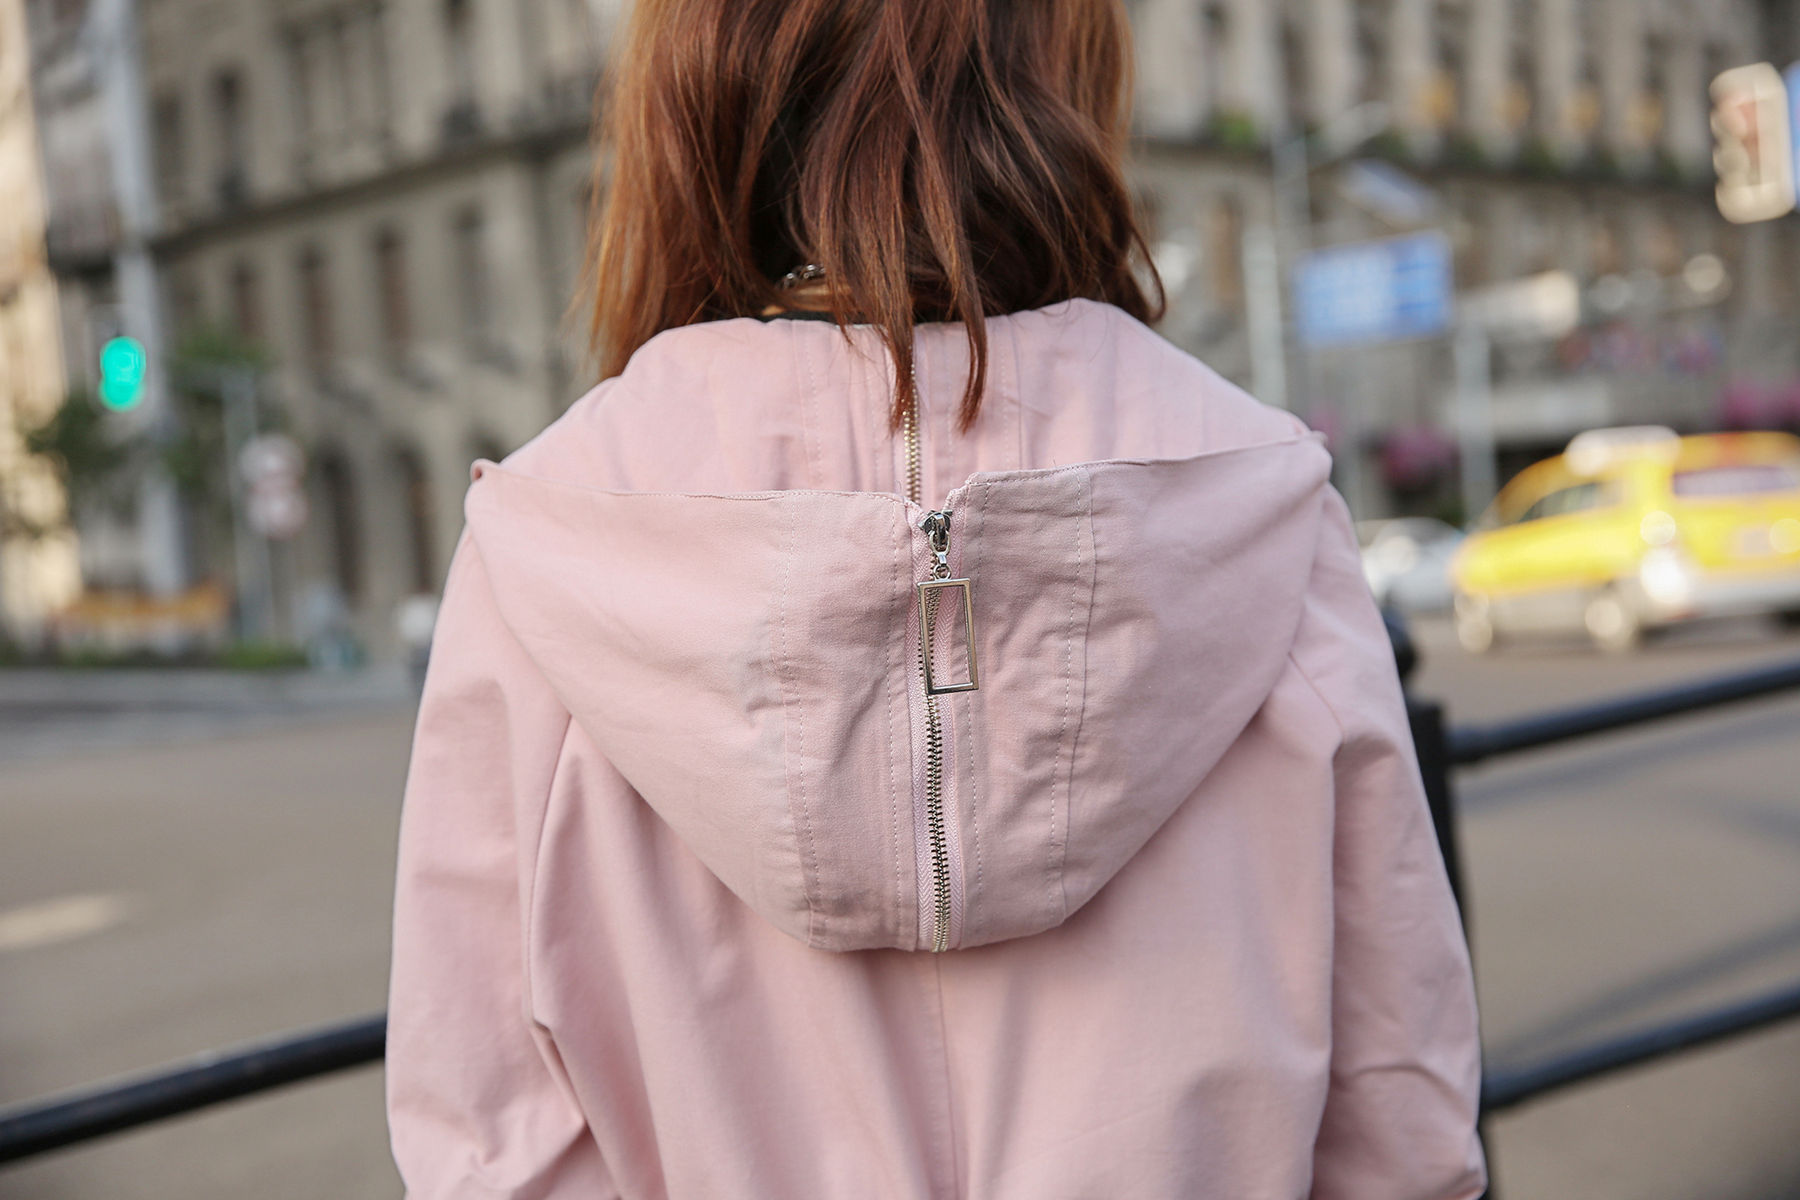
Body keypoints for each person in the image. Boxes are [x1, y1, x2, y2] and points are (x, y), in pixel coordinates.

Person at [384, 1, 1487, 1196]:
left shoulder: (550, 531)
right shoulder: (1260, 493)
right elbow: (1402, 1123)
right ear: (1064, 70)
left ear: (697, 87)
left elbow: (492, 1140)